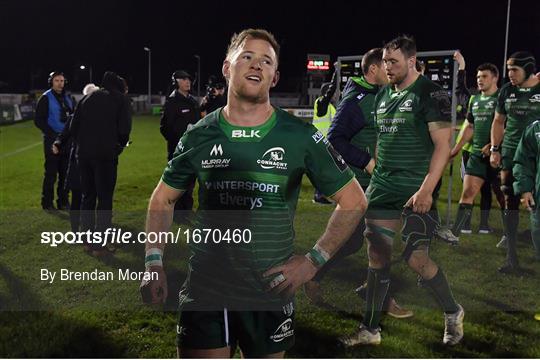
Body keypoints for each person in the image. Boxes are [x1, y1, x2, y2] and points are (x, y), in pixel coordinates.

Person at [140, 28, 366, 358]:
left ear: (274, 77)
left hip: (269, 293)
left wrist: (313, 261)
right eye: (247, 56)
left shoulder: (300, 136)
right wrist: (152, 261)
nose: (256, 65)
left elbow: (354, 200)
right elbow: (163, 198)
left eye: (266, 61)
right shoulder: (199, 135)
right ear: (227, 67)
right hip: (206, 291)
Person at [340, 35, 464, 347]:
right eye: (384, 61)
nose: (387, 67)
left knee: (416, 259)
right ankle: (370, 330)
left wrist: (426, 189)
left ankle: (452, 311)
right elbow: (382, 139)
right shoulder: (383, 95)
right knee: (377, 252)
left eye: (393, 61)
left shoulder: (431, 93)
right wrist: (378, 170)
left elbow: (443, 146)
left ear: (411, 61)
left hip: (415, 188)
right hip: (383, 186)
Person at [304, 48, 412, 319]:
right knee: (380, 241)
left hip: (379, 183)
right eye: (385, 66)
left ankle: (318, 274)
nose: (389, 72)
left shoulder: (382, 96)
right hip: (362, 185)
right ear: (372, 70)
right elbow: (335, 139)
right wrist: (367, 161)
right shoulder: (356, 99)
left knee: (354, 242)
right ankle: (381, 298)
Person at [439, 63, 505, 242]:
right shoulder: (474, 100)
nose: (480, 80)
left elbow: (510, 126)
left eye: (484, 76)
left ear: (495, 78)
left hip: (499, 156)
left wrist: (493, 145)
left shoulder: (502, 97)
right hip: (476, 155)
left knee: (502, 194)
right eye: (478, 77)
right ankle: (456, 233)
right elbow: (470, 127)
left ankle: (509, 233)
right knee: (467, 193)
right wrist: (456, 150)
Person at [70, 71, 132, 256]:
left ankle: (87, 240)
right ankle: (100, 245)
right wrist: (118, 147)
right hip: (105, 156)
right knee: (104, 200)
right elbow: (124, 130)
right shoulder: (120, 100)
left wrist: (83, 146)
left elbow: (73, 127)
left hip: (84, 155)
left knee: (88, 197)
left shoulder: (87, 98)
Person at [489, 51, 540, 273]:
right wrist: (494, 149)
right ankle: (511, 257)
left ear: (528, 70)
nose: (510, 74)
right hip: (510, 154)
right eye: (508, 69)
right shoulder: (506, 91)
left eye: (514, 70)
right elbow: (498, 121)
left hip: (535, 155)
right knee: (509, 200)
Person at [52, 83, 100, 233]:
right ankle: (77, 231)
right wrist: (58, 143)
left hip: (86, 163)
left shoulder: (99, 118)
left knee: (85, 198)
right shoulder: (76, 116)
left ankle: (85, 231)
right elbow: (64, 134)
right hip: (80, 163)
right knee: (81, 197)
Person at [159, 70, 200, 222]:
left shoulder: (193, 101)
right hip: (178, 150)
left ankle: (186, 212)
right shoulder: (172, 101)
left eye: (189, 79)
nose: (188, 82)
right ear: (176, 82)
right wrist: (177, 143)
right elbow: (164, 127)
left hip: (193, 150)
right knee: (177, 184)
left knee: (190, 183)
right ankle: (177, 214)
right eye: (183, 79)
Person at [34, 71, 75, 210]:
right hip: (52, 140)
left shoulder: (68, 98)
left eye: (62, 81)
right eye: (57, 80)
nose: (60, 83)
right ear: (51, 82)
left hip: (67, 141)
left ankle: (63, 201)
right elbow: (38, 120)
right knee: (51, 173)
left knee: (65, 173)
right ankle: (47, 203)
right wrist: (52, 136)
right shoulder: (45, 98)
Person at [312, 67, 338, 204]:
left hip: (326, 141)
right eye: (331, 93)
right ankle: (318, 195)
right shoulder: (321, 103)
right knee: (323, 169)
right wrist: (336, 72)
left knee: (326, 169)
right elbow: (331, 90)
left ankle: (321, 194)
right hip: (320, 140)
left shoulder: (331, 107)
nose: (333, 95)